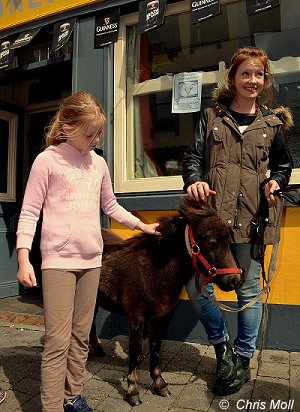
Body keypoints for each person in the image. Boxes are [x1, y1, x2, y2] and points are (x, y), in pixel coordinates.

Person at [16, 91, 160, 412]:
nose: (96, 139)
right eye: (90, 133)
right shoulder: (47, 161)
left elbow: (110, 205)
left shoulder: (99, 164)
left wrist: (142, 226)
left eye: (99, 133)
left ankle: (73, 396)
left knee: (81, 337)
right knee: (57, 342)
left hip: (91, 262)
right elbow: (29, 211)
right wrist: (24, 256)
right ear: (67, 127)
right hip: (58, 264)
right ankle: (51, 406)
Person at [182, 46, 293, 396]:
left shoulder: (272, 124)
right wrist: (193, 180)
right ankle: (222, 348)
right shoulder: (211, 117)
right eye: (246, 73)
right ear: (232, 78)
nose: (253, 80)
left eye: (259, 74)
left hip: (250, 221)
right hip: (212, 223)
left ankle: (243, 359)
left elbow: (283, 166)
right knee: (197, 289)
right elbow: (192, 158)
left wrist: (277, 181)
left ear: (265, 80)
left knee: (246, 290)